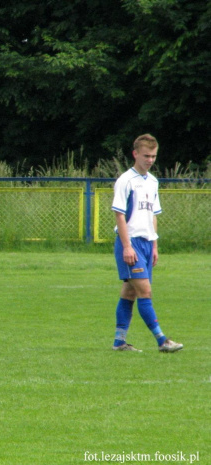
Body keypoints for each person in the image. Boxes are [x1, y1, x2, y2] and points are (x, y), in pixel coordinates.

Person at [111, 133, 183, 353]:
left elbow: (153, 215)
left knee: (129, 293)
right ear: (135, 154)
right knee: (145, 291)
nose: (150, 160)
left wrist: (154, 246)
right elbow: (119, 215)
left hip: (145, 243)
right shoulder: (126, 181)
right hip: (130, 242)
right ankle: (162, 340)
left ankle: (119, 342)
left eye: (153, 156)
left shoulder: (153, 182)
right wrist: (127, 246)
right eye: (146, 156)